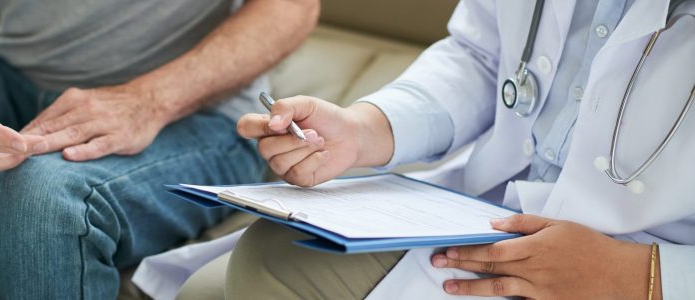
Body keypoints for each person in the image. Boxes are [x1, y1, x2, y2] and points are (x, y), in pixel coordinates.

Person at [182, 0, 695, 299]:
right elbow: (478, 56)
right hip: (486, 212)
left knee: (269, 267)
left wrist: (641, 275)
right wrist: (362, 130)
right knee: (224, 280)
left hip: (637, 262)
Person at [0, 0, 318, 298]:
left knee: (39, 199)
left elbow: (291, 7)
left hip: (192, 109)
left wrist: (149, 100)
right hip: (6, 66)